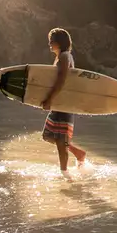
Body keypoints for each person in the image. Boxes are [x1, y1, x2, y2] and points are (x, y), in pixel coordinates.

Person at [39, 27, 87, 173]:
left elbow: (61, 81)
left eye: (51, 41)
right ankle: (78, 153)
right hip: (59, 103)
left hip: (64, 104)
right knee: (48, 136)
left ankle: (64, 174)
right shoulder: (61, 56)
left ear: (59, 42)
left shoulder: (65, 56)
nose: (49, 44)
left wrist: (49, 99)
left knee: (60, 141)